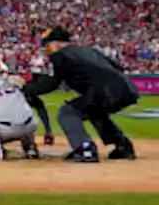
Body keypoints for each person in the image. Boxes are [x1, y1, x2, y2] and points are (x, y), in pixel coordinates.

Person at [24, 26, 139, 163]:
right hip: (127, 88)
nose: (46, 49)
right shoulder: (88, 50)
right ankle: (123, 146)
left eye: (47, 44)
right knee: (95, 112)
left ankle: (85, 149)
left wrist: (28, 90)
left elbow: (53, 83)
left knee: (67, 112)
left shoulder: (61, 54)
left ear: (56, 43)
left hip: (105, 90)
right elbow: (117, 67)